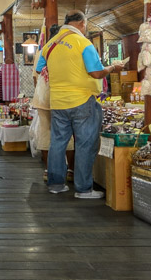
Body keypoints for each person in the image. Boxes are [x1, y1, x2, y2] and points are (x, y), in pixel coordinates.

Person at [35, 10, 125, 199]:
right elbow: (96, 73)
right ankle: (84, 189)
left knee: (58, 143)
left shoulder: (49, 45)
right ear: (82, 24)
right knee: (85, 143)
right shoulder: (84, 43)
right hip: (82, 100)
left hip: (58, 102)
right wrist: (113, 68)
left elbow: (39, 68)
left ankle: (56, 184)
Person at [32, 24, 74, 181]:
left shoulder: (45, 49)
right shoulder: (67, 48)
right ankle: (70, 171)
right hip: (62, 96)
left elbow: (37, 71)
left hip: (43, 97)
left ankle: (49, 171)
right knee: (67, 133)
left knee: (46, 133)